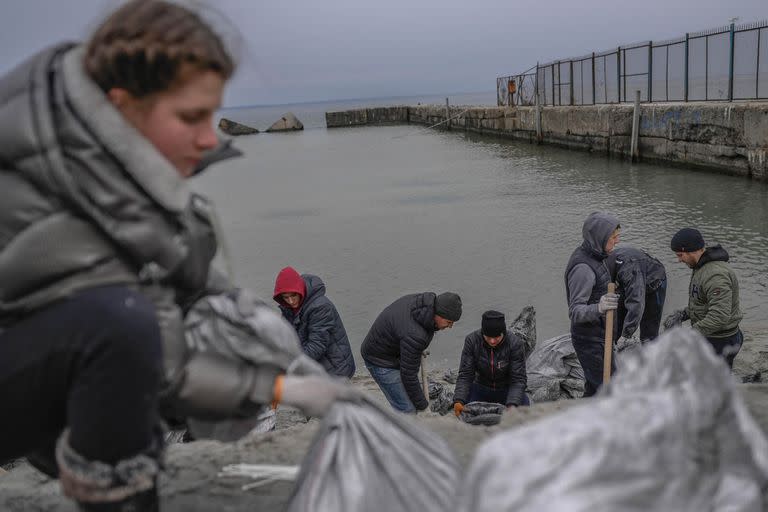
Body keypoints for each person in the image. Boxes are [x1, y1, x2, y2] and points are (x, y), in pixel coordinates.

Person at [0, 2, 347, 510]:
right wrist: (280, 386)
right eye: (191, 116)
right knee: (121, 324)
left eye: (212, 113)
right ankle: (115, 492)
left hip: (46, 378)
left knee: (211, 322)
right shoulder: (34, 196)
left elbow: (188, 277)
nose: (212, 137)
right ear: (122, 106)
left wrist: (259, 330)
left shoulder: (106, 166)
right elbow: (150, 353)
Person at [361, 292, 462, 413]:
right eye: (448, 322)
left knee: (412, 397)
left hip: (393, 349)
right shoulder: (416, 334)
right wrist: (424, 407)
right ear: (438, 314)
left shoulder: (423, 304)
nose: (450, 326)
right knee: (407, 410)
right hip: (379, 361)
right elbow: (408, 375)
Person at [664, 228, 743, 368]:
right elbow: (703, 303)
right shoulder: (701, 267)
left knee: (713, 383)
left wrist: (690, 334)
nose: (679, 260)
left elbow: (720, 315)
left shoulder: (715, 275)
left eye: (680, 255)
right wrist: (684, 314)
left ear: (691, 250)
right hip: (712, 335)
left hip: (721, 340)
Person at [564, 212, 621, 398]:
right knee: (606, 390)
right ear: (599, 238)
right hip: (589, 340)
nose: (616, 242)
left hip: (601, 335)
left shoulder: (597, 256)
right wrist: (599, 307)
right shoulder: (583, 269)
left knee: (596, 387)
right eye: (613, 238)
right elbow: (575, 311)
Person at [273, 266, 356, 378]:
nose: (291, 301)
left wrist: (290, 364)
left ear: (300, 290)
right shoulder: (288, 308)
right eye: (285, 297)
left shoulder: (321, 307)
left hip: (335, 368)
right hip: (315, 365)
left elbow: (317, 345)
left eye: (293, 295)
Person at [452, 311, 528, 417]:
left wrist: (512, 405)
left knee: (524, 406)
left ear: (503, 333)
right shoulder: (472, 340)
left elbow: (518, 380)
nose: (492, 341)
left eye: (497, 337)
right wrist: (458, 400)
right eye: (488, 337)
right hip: (481, 388)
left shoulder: (515, 343)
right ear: (483, 333)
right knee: (463, 408)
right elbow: (465, 375)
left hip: (506, 389)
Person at [607, 246, 667, 343]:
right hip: (627, 276)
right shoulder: (601, 265)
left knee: (648, 330)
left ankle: (649, 351)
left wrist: (626, 335)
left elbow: (636, 303)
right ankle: (614, 345)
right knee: (617, 318)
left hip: (654, 280)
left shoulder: (628, 269)